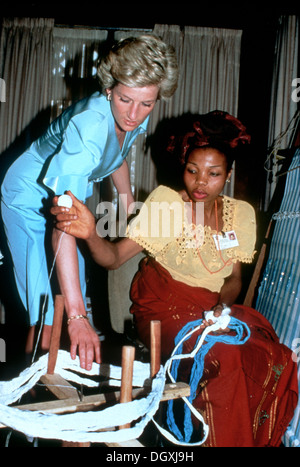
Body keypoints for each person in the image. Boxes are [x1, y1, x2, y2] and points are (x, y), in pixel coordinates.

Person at [51, 111, 298, 446]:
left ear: (227, 174)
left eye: (213, 174)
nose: (200, 182)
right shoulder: (167, 204)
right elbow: (112, 259)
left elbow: (234, 279)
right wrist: (91, 234)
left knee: (268, 356)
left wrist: (222, 309)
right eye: (192, 171)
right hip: (162, 308)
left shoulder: (239, 215)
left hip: (213, 310)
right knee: (223, 358)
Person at [0, 34, 179, 370]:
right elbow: (65, 226)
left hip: (59, 199)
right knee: (49, 308)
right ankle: (28, 396)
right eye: (126, 100)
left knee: (73, 294)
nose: (135, 114)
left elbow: (118, 157)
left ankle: (59, 378)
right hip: (25, 196)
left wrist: (131, 211)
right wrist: (78, 317)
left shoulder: (131, 112)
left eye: (147, 104)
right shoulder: (90, 128)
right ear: (109, 89)